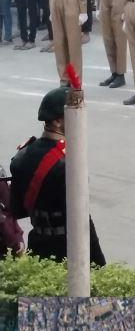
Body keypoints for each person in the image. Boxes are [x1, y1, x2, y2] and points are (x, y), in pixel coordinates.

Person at [10, 88, 105, 265]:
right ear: (58, 121)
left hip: (37, 245)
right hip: (69, 249)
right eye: (76, 115)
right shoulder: (70, 164)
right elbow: (81, 220)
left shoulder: (21, 155)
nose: (81, 120)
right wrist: (98, 261)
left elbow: (17, 210)